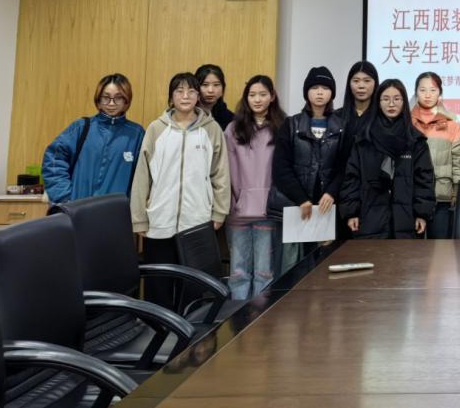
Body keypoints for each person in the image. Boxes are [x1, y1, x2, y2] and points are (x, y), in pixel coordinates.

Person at [130, 72, 229, 309]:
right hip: (160, 222)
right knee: (159, 285)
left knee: (194, 288)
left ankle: (192, 331)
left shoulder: (211, 129)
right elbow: (142, 175)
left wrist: (219, 212)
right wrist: (139, 217)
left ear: (198, 96)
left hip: (197, 222)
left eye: (191, 91)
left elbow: (221, 173)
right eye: (179, 91)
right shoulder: (156, 128)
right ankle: (159, 329)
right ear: (171, 96)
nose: (185, 96)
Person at [270, 66, 346, 273]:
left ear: (332, 93)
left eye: (325, 88)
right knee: (291, 268)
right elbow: (281, 167)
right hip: (296, 209)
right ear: (306, 93)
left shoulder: (342, 127)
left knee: (323, 267)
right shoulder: (291, 124)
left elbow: (344, 166)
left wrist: (332, 192)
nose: (320, 92)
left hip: (327, 210)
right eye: (314, 88)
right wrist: (301, 198)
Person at [340, 80, 435, 239]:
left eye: (397, 99)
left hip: (406, 220)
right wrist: (351, 212)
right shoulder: (364, 139)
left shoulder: (415, 141)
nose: (391, 104)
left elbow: (424, 179)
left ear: (404, 102)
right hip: (369, 218)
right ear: (378, 102)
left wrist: (422, 213)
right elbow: (351, 177)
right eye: (385, 99)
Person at [224, 75, 286, 300]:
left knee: (264, 271)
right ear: (246, 98)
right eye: (252, 95)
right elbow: (226, 171)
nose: (257, 99)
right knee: (238, 272)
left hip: (269, 211)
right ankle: (237, 316)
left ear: (272, 96)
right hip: (239, 211)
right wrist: (233, 203)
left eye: (262, 94)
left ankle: (260, 316)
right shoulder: (233, 129)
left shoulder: (283, 127)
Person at [42, 73, 145, 204]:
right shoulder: (81, 128)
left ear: (126, 101)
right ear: (98, 100)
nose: (111, 103)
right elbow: (53, 160)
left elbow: (143, 177)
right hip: (77, 210)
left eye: (118, 98)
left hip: (116, 212)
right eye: (106, 97)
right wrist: (65, 197)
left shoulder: (136, 134)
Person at [411, 71, 460, 239]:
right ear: (416, 92)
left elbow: (458, 160)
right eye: (422, 90)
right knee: (411, 250)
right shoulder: (406, 121)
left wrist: (457, 190)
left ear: (440, 92)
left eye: (433, 90)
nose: (427, 95)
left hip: (441, 196)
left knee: (440, 248)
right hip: (412, 195)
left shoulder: (452, 122)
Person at [332, 61, 380, 152]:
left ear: (375, 83)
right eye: (356, 81)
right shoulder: (337, 116)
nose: (361, 86)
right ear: (349, 84)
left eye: (367, 81)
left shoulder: (382, 117)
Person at [196, 64, 233, 131]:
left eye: (216, 85)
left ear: (223, 88)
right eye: (205, 85)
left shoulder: (231, 119)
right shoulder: (187, 114)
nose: (210, 90)